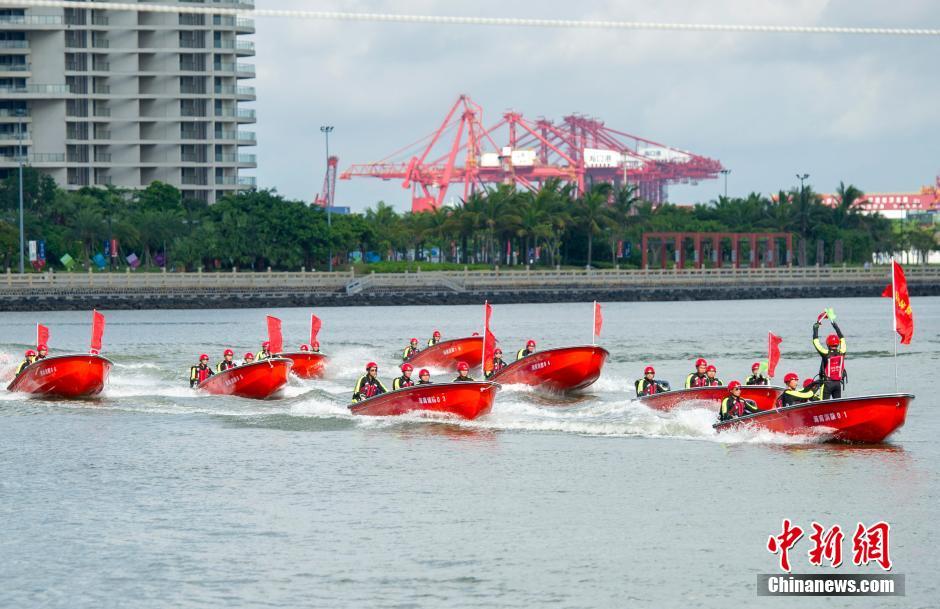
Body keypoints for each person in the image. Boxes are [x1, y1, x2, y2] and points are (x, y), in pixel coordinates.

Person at [813, 313, 847, 399]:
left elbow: (816, 343)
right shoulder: (842, 351)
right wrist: (835, 326)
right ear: (837, 343)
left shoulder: (826, 353)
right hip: (838, 384)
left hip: (827, 384)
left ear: (827, 344)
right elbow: (842, 338)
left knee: (823, 404)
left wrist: (815, 329)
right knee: (837, 405)